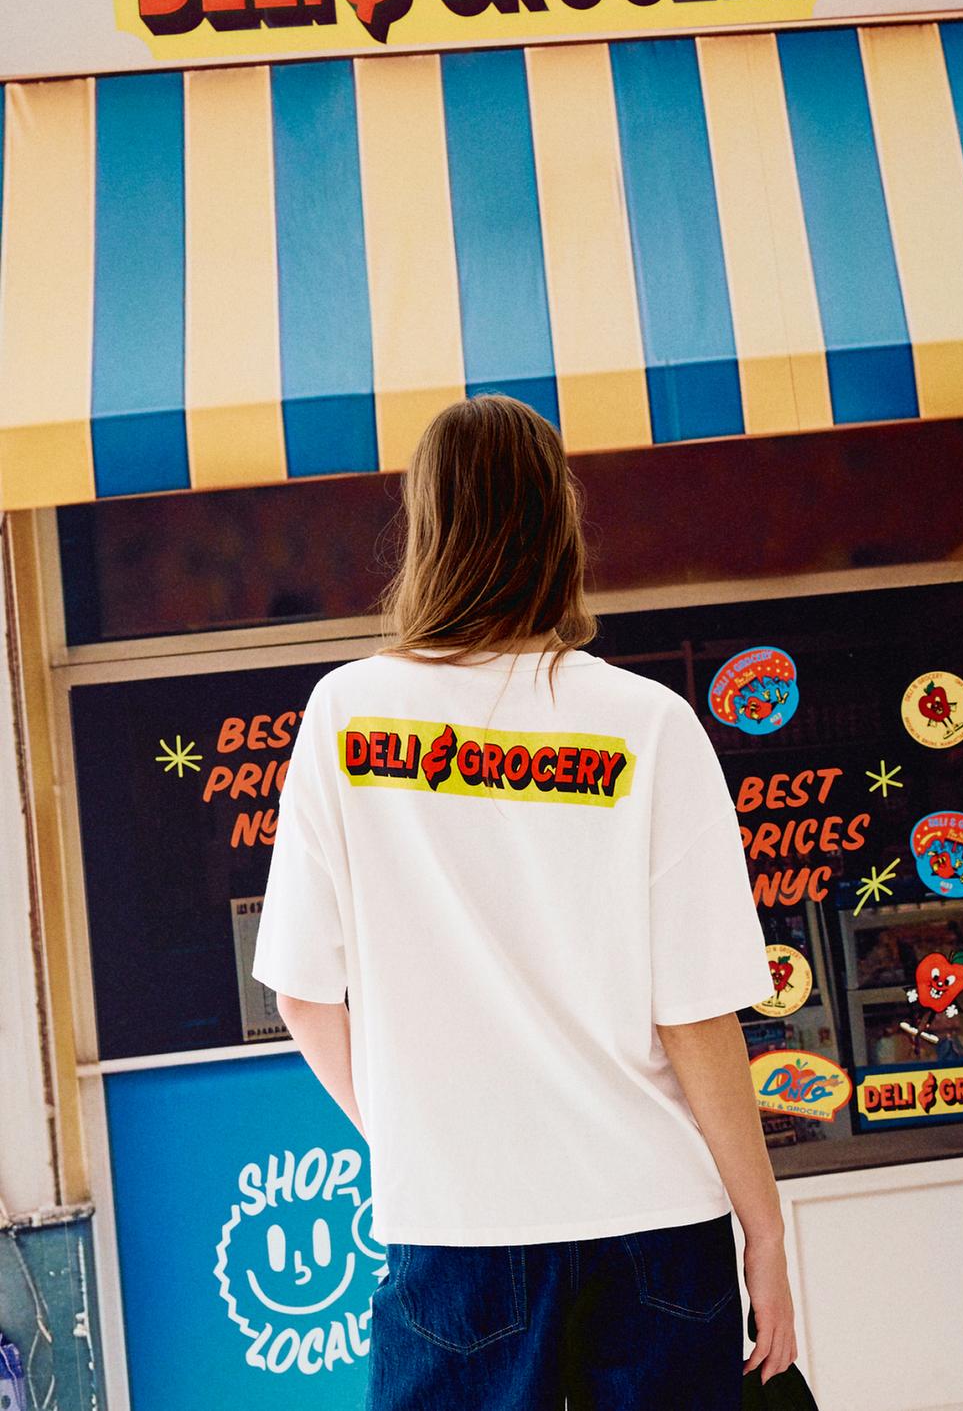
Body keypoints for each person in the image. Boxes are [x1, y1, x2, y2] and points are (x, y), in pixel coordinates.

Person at [250, 394, 797, 1410]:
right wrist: (763, 1232)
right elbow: (695, 1015)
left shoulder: (345, 713)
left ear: (427, 529)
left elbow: (303, 996)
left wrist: (414, 1143)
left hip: (455, 1230)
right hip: (653, 1221)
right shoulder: (648, 723)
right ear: (561, 528)